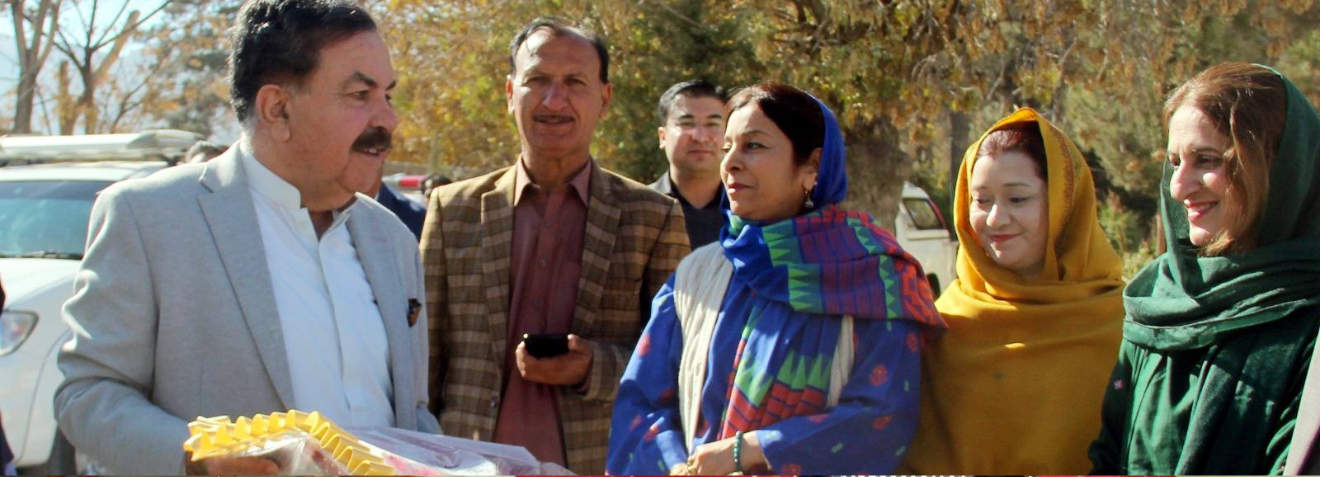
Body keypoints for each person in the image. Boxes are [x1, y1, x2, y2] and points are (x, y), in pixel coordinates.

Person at [54, 1, 439, 474]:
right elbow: (88, 394)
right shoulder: (150, 217)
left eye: (388, 95)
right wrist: (196, 457)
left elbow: (411, 416)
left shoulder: (393, 240)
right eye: (361, 94)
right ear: (277, 109)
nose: (388, 120)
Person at [606, 83, 945, 475]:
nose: (730, 162)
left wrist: (751, 450)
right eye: (728, 146)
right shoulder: (699, 275)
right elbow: (643, 401)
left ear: (812, 167)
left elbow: (884, 416)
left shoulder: (876, 277)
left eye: (753, 146)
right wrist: (677, 467)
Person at [421, 18, 689, 474]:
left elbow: (679, 358)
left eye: (574, 83)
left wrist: (592, 367)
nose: (553, 100)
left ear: (604, 99)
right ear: (510, 93)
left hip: (596, 461)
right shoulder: (452, 210)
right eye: (537, 81)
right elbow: (423, 358)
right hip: (464, 461)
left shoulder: (653, 217)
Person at [1090, 63, 1320, 474]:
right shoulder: (1161, 302)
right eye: (1175, 162)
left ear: (1278, 165)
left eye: (1207, 160)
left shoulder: (1307, 322)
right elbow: (1112, 454)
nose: (1178, 186)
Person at [897, 108, 1125, 474]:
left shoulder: (1120, 329)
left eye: (1018, 199)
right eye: (981, 200)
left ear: (1064, 207)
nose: (995, 219)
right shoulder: (943, 324)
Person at [649, 80, 728, 248]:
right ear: (662, 137)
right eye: (686, 124)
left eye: (713, 124)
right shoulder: (639, 208)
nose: (700, 137)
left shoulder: (753, 212)